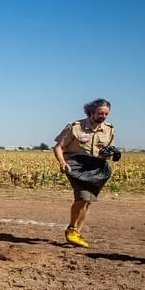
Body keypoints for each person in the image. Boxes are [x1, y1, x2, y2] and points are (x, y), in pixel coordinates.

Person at [52, 99, 120, 248]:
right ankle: (72, 228)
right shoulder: (75, 127)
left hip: (96, 168)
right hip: (76, 166)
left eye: (106, 114)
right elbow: (58, 147)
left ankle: (76, 233)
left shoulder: (109, 129)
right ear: (91, 112)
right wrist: (62, 163)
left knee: (88, 201)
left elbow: (108, 150)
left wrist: (112, 154)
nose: (103, 116)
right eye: (100, 113)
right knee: (83, 197)